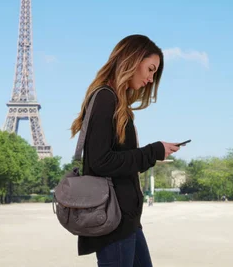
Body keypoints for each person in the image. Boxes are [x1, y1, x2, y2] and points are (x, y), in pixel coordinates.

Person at [70, 34, 180, 266]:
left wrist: (155, 152)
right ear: (132, 59)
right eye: (150, 69)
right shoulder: (104, 98)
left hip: (125, 219)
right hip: (114, 220)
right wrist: (153, 152)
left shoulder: (115, 103)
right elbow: (101, 161)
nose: (151, 79)